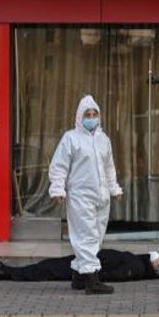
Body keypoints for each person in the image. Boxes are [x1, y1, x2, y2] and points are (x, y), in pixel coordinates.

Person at [48, 95, 123, 295]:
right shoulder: (71, 138)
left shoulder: (103, 139)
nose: (91, 118)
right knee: (87, 236)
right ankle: (92, 280)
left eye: (94, 114)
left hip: (102, 197)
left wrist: (114, 188)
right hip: (80, 196)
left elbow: (109, 168)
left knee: (96, 236)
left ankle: (78, 275)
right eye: (87, 114)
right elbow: (59, 166)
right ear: (79, 117)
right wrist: (57, 188)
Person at [0, 249, 159, 283]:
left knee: (47, 269)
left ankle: (7, 272)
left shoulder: (136, 268)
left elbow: (116, 275)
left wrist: (88, 275)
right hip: (86, 259)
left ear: (155, 266)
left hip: (85, 265)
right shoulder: (139, 262)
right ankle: (4, 273)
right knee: (48, 267)